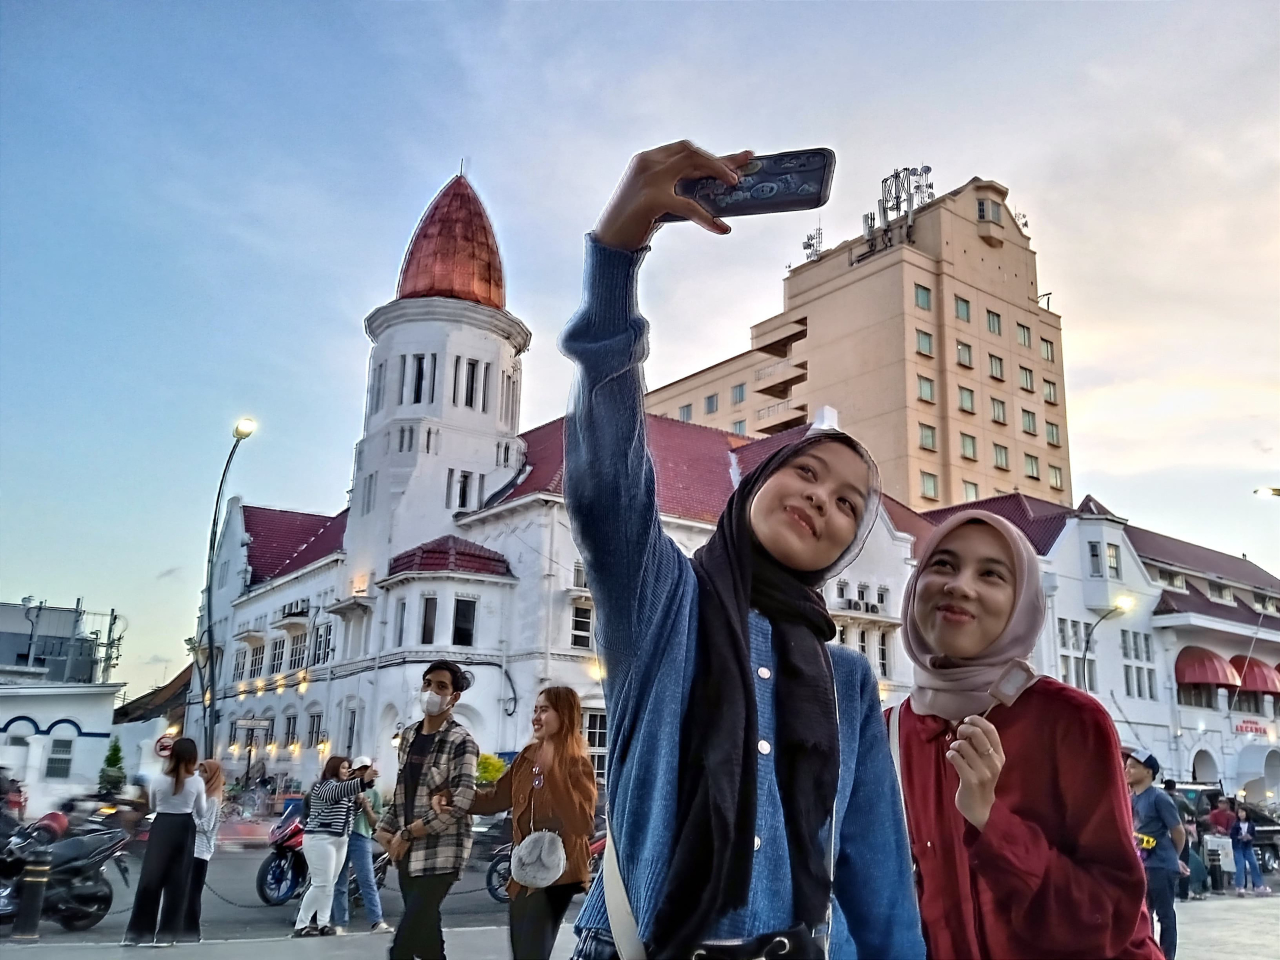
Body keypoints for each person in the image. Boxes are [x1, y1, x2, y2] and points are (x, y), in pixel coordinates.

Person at [562, 141, 924, 960]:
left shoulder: (846, 679)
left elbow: (873, 863)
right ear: (752, 486)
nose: (820, 502)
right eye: (804, 472)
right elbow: (609, 482)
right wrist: (616, 258)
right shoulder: (665, 607)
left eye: (848, 504)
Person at [887, 511, 1160, 959]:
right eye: (942, 565)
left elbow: (1109, 916)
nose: (959, 585)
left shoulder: (1069, 721)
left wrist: (990, 820)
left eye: (991, 574)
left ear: (1023, 603)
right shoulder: (886, 732)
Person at [452, 687, 597, 960]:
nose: (536, 717)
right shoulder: (527, 757)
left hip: (558, 874)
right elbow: (495, 799)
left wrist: (554, 771)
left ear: (563, 715)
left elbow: (581, 824)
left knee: (532, 952)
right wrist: (455, 797)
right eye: (535, 710)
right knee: (522, 951)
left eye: (544, 710)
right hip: (523, 867)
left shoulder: (577, 763)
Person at [374, 661, 479, 960]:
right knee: (427, 941)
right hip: (407, 854)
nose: (431, 691)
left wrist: (407, 832)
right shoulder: (408, 736)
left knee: (403, 945)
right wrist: (385, 827)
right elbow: (403, 791)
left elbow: (460, 802)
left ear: (454, 696)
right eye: (427, 683)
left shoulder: (462, 742)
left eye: (441, 686)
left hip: (441, 854)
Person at [123, 737, 207, 946]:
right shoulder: (196, 781)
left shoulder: (158, 779)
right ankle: (166, 934)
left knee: (150, 880)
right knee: (177, 882)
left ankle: (137, 934)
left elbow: (152, 804)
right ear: (192, 757)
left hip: (162, 825)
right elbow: (201, 811)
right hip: (184, 827)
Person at [292, 755, 377, 937]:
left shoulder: (346, 790)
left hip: (340, 839)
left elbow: (351, 809)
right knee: (320, 883)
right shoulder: (323, 786)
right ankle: (301, 924)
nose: (347, 771)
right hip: (320, 838)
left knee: (329, 884)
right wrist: (363, 781)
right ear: (334, 769)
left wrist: (359, 797)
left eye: (348, 768)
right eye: (344, 768)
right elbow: (337, 792)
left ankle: (323, 923)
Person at [1126, 748, 1186, 960]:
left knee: (1165, 915)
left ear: (1149, 772)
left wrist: (1173, 858)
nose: (1127, 771)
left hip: (1161, 865)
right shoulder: (1129, 799)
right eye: (1126, 767)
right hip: (1141, 864)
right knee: (1144, 915)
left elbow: (1178, 831)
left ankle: (1167, 956)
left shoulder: (1159, 798)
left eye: (1133, 767)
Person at [331, 756, 394, 934]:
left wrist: (366, 807)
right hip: (342, 836)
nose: (365, 772)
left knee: (366, 879)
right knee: (340, 881)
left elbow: (375, 823)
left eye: (367, 769)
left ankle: (376, 921)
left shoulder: (374, 794)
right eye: (361, 769)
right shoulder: (344, 788)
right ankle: (340, 923)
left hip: (361, 837)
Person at [181, 759, 224, 942]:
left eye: (204, 771)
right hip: (191, 848)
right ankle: (183, 929)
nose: (200, 774)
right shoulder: (202, 794)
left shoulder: (213, 798)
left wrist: (189, 815)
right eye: (199, 771)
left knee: (192, 893)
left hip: (200, 851)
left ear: (212, 774)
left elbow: (206, 826)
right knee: (185, 892)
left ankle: (192, 932)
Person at [1163, 779, 1195, 901]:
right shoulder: (1180, 801)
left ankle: (1167, 892)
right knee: (1184, 863)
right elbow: (1193, 811)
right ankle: (1183, 893)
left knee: (1165, 863)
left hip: (1164, 835)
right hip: (1180, 834)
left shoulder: (1158, 798)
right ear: (1174, 788)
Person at [1230, 805, 1271, 897]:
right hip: (1238, 847)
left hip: (1248, 846)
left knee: (1254, 864)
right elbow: (1232, 835)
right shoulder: (1235, 824)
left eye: (1242, 812)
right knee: (1240, 865)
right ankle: (1239, 886)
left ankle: (1258, 885)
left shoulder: (1251, 824)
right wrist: (1239, 837)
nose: (1240, 814)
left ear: (1246, 813)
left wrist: (1250, 837)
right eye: (1239, 812)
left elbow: (1254, 835)